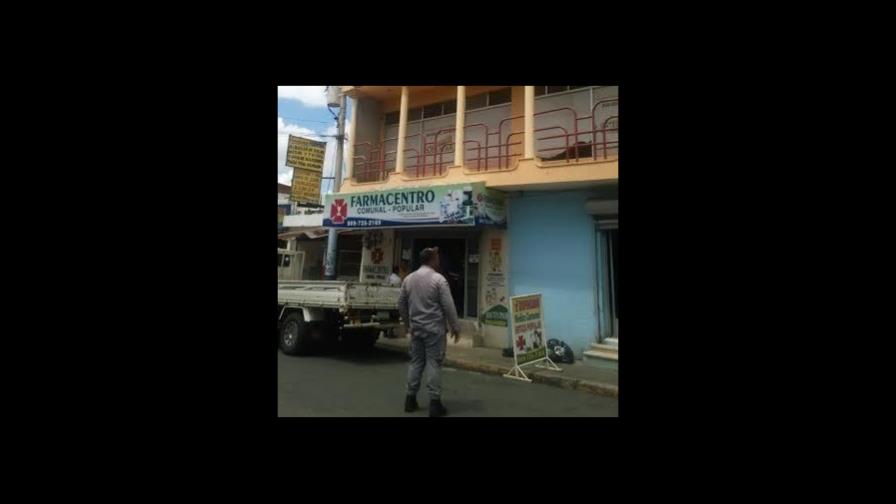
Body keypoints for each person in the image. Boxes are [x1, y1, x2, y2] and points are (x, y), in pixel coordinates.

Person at [398, 247, 461, 417]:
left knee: (416, 363)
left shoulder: (408, 279)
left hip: (416, 329)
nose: (439, 260)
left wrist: (407, 323)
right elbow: (448, 306)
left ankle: (410, 399)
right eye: (437, 257)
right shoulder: (438, 280)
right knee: (434, 364)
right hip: (434, 330)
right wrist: (455, 327)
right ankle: (434, 403)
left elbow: (401, 303)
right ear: (433, 259)